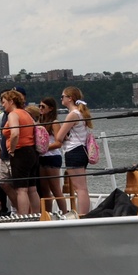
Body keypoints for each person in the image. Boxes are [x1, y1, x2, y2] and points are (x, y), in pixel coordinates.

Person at [53, 86, 92, 215]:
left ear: (70, 98)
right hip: (82, 150)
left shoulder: (72, 114)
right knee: (82, 187)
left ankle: (83, 214)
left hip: (73, 151)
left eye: (63, 96)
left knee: (80, 188)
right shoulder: (81, 113)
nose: (61, 99)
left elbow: (59, 136)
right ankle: (85, 213)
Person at [37, 97, 67, 214]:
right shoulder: (39, 122)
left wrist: (44, 148)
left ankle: (64, 212)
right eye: (39, 106)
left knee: (55, 189)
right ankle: (47, 214)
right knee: (44, 189)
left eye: (43, 107)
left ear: (50, 109)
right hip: (42, 157)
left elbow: (59, 143)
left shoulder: (54, 123)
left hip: (52, 156)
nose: (40, 109)